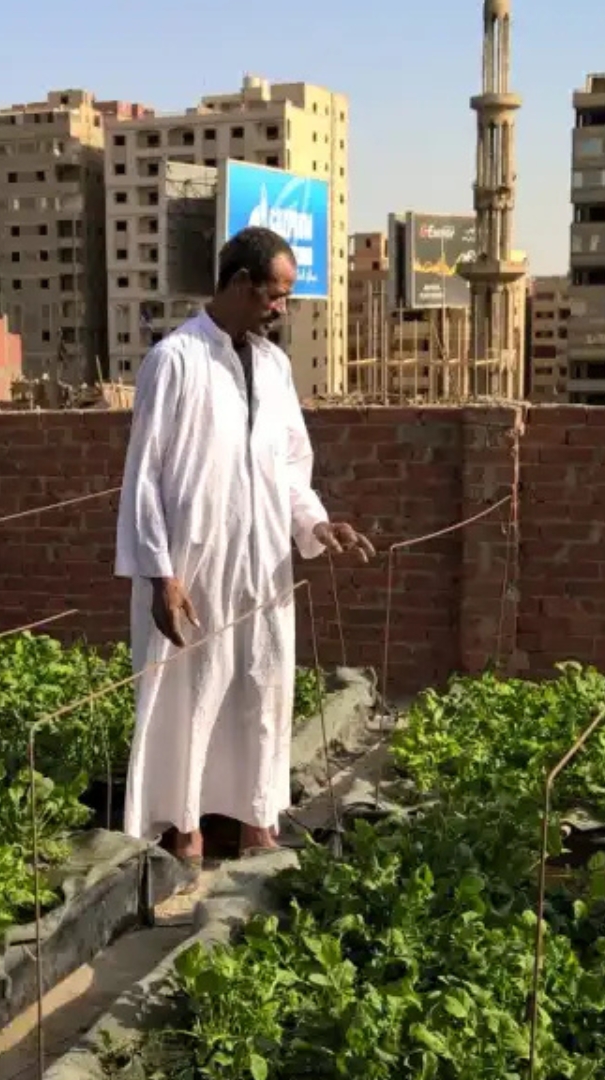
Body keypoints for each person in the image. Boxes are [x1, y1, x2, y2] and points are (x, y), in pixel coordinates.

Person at [113, 225, 375, 871]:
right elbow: (144, 474)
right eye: (275, 294)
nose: (281, 308)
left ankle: (258, 817)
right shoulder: (175, 359)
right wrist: (160, 574)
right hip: (196, 563)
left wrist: (317, 525)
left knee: (263, 683)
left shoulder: (276, 366)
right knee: (191, 694)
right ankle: (185, 830)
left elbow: (290, 465)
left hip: (264, 561)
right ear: (239, 283)